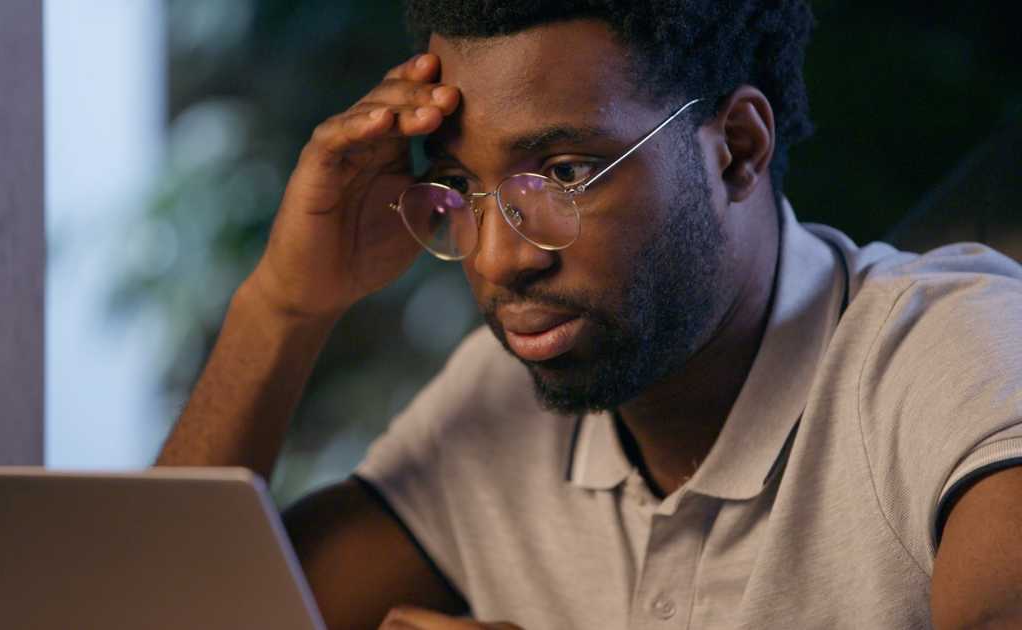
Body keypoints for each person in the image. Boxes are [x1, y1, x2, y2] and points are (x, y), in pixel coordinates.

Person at [157, 2, 1022, 628]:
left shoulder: (956, 353)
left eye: (565, 173)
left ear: (737, 150)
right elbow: (174, 613)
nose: (499, 258)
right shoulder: (498, 401)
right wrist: (283, 305)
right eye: (458, 186)